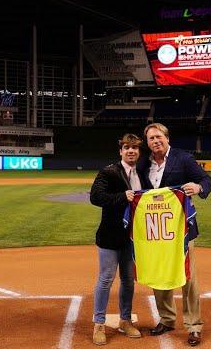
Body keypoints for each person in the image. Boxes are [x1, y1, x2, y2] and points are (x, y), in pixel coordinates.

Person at [137, 123, 211, 347]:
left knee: (188, 278)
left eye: (158, 137)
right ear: (147, 142)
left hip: (182, 230)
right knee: (159, 273)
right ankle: (167, 319)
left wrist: (199, 188)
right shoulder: (143, 164)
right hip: (155, 230)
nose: (155, 141)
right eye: (150, 139)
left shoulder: (183, 158)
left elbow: (206, 180)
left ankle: (194, 326)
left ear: (167, 137)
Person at [90, 133, 144, 345]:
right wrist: (123, 196)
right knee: (106, 279)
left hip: (132, 237)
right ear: (121, 151)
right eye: (127, 147)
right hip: (110, 236)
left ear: (139, 152)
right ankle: (99, 324)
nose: (131, 151)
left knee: (128, 280)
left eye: (135, 148)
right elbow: (95, 197)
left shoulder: (143, 174)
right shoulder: (109, 172)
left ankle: (125, 320)